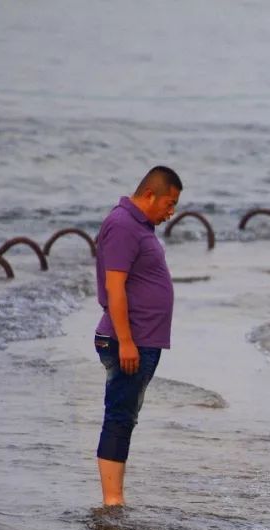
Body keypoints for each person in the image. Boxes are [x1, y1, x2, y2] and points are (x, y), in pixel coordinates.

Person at [93, 166, 182, 507]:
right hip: (126, 341)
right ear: (150, 195)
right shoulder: (123, 225)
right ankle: (112, 502)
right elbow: (114, 287)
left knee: (125, 415)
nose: (171, 212)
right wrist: (127, 341)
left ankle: (115, 498)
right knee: (119, 416)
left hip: (141, 340)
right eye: (169, 203)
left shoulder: (138, 226)